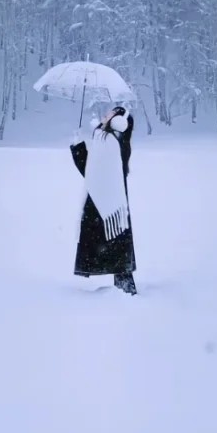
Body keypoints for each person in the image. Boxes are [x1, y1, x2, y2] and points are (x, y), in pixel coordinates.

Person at [69, 104, 137, 294]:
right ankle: (124, 288)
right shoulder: (112, 138)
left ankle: (125, 290)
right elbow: (93, 171)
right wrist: (78, 148)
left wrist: (78, 149)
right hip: (110, 200)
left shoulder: (109, 139)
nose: (105, 114)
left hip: (106, 201)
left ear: (117, 120)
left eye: (111, 112)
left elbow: (92, 172)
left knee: (114, 242)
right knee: (116, 243)